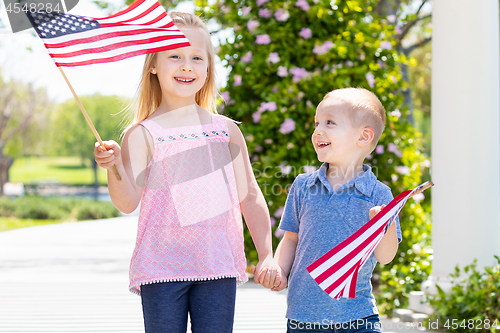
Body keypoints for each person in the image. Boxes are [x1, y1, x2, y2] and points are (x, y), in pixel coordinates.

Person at [94, 12, 278, 333]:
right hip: (161, 268)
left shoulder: (226, 131)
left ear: (207, 69)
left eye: (196, 57)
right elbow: (126, 202)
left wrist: (266, 255)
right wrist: (114, 169)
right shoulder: (142, 134)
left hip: (217, 265)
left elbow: (249, 194)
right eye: (175, 56)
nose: (186, 65)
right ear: (153, 64)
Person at [268, 88, 402, 332]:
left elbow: (385, 257)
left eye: (330, 122)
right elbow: (290, 239)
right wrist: (279, 271)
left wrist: (386, 224)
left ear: (363, 137)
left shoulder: (378, 194)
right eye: (317, 123)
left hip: (357, 317)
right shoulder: (303, 186)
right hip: (303, 316)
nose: (318, 130)